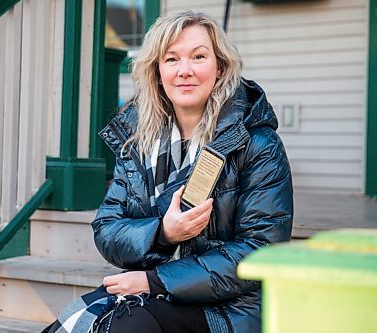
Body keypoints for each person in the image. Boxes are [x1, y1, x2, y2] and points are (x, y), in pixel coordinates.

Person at [45, 10, 293, 333]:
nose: (185, 71)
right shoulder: (139, 142)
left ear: (219, 67)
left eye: (198, 56)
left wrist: (154, 280)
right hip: (154, 292)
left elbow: (260, 252)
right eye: (172, 59)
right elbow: (107, 228)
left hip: (229, 308)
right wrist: (163, 233)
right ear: (158, 71)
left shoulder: (258, 144)